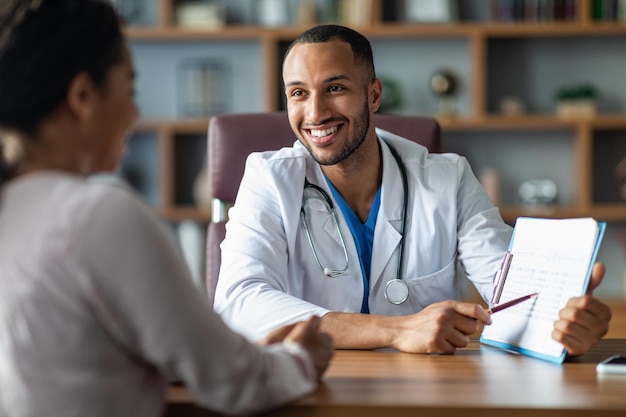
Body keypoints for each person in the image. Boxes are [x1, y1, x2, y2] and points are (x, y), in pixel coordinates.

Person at [0, 1, 333, 416]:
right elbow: (235, 384)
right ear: (83, 97)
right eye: (130, 91)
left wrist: (227, 355)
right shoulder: (100, 216)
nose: (135, 113)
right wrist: (304, 359)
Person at [214, 24, 611, 356]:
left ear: (373, 95)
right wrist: (396, 330)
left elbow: (512, 293)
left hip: (424, 387)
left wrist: (565, 322)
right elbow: (239, 303)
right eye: (299, 93)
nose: (315, 113)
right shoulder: (268, 178)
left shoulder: (447, 179)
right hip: (309, 382)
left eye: (335, 88)